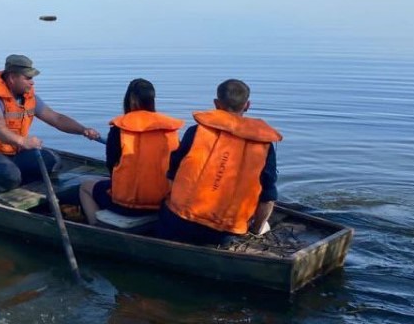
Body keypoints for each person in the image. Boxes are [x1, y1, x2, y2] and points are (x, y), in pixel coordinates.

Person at [159, 79, 281, 245]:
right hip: (225, 234)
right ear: (247, 105)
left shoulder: (195, 132)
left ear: (216, 103)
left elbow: (173, 174)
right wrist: (255, 230)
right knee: (264, 221)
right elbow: (268, 198)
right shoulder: (263, 145)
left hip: (179, 224)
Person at [0, 54, 101, 194]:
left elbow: (56, 118)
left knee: (53, 162)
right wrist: (23, 141)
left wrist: (83, 130)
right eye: (28, 78)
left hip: (14, 152)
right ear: (12, 78)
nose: (32, 82)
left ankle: (17, 181)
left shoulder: (28, 97)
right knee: (8, 175)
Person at [79, 78, 183, 225]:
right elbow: (177, 166)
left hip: (128, 205)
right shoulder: (169, 129)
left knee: (85, 187)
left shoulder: (119, 129)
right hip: (164, 202)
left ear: (132, 100)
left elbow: (111, 166)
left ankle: (96, 228)